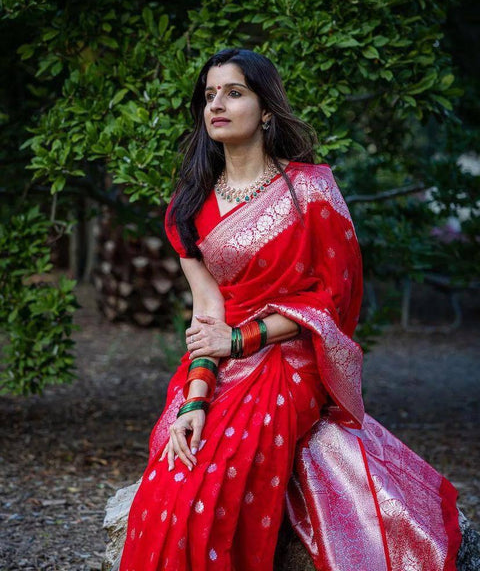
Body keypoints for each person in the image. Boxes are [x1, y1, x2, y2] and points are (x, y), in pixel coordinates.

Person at [118, 48, 461, 570]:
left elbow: (332, 299)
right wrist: (195, 396)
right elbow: (208, 310)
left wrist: (240, 340)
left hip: (290, 355)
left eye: (234, 93)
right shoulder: (189, 205)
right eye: (210, 95)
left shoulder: (311, 191)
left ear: (267, 110)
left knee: (218, 475)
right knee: (171, 478)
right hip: (219, 358)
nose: (218, 104)